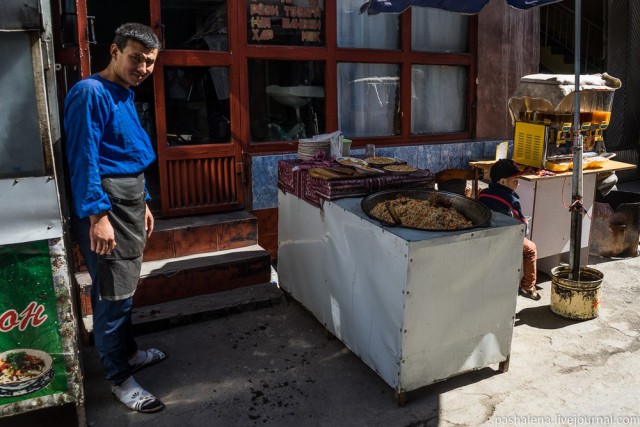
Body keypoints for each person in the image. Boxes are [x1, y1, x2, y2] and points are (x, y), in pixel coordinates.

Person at [64, 23, 166, 413]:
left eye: (149, 62)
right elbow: (84, 157)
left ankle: (130, 354)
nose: (142, 67)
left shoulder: (123, 93)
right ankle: (120, 379)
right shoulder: (90, 93)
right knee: (113, 294)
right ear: (114, 51)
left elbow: (129, 154)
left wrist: (145, 201)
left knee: (124, 287)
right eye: (135, 58)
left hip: (129, 202)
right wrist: (96, 216)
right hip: (107, 209)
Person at [478, 159, 541, 301]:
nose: (518, 183)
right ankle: (528, 286)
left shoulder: (483, 194)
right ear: (502, 182)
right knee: (531, 248)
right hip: (505, 240)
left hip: (486, 236)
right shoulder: (512, 201)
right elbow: (523, 227)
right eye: (515, 180)